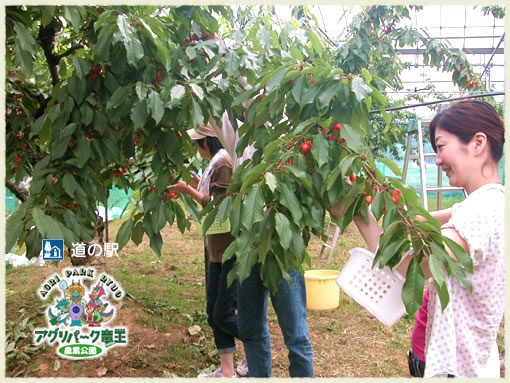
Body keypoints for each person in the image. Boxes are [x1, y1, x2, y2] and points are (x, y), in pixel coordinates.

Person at [333, 99, 505, 378]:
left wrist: (360, 215)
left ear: (477, 143)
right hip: (477, 360)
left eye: (440, 146)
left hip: (457, 370)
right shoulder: (490, 202)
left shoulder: (480, 212)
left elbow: (406, 268)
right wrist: (375, 192)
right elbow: (414, 221)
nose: (437, 160)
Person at [209, 111, 315, 378]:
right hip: (249, 252)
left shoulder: (288, 135)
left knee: (296, 336)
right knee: (251, 331)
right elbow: (217, 107)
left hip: (282, 253)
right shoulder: (238, 141)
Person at [167, 123, 241, 378]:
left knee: (222, 313)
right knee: (213, 312)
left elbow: (221, 204)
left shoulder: (224, 162)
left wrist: (189, 191)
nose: (196, 149)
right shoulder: (215, 163)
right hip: (215, 247)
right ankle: (227, 371)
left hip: (228, 247)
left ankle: (256, 344)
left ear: (206, 143)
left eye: (197, 144)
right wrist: (199, 185)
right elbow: (217, 191)